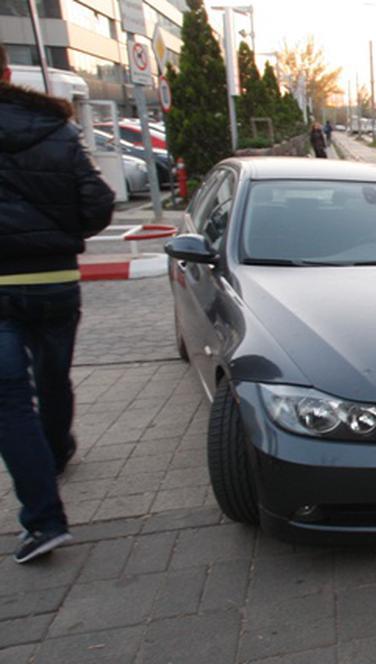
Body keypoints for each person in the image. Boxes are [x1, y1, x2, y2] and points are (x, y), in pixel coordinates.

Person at [0, 43, 114, 563]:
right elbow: (97, 202)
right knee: (52, 374)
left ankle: (44, 522)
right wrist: (63, 233)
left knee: (10, 402)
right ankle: (58, 448)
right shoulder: (55, 128)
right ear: (5, 71)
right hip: (54, 279)